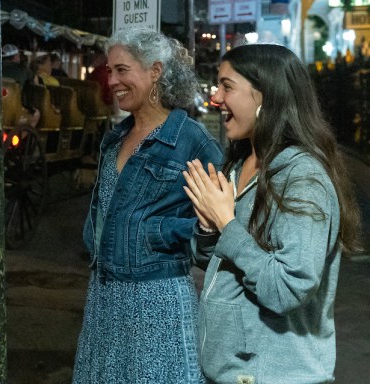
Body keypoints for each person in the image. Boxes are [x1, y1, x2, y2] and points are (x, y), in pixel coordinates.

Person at [183, 44, 361, 384]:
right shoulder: (242, 161)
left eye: (227, 86)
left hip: (276, 374)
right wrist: (209, 229)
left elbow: (285, 289)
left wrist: (226, 223)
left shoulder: (303, 179)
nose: (216, 98)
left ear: (266, 95)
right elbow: (225, 264)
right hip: (234, 372)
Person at [72, 28, 224, 383]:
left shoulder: (192, 142)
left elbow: (222, 224)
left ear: (155, 71)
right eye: (110, 71)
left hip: (157, 300)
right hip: (104, 295)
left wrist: (162, 233)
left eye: (122, 70)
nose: (112, 81)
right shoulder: (115, 138)